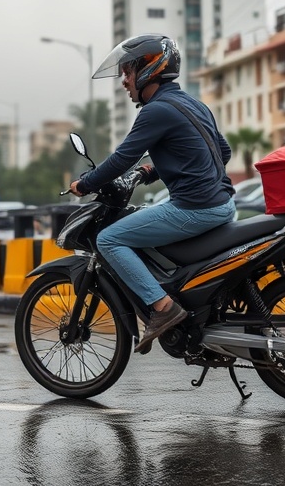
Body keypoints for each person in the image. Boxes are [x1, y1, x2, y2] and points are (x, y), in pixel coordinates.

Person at [69, 34, 236, 355]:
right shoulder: (193, 103)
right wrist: (151, 171)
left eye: (127, 73)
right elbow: (222, 151)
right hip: (224, 205)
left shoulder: (156, 111)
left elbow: (121, 159)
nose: (124, 82)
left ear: (149, 70)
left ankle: (162, 307)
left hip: (195, 209)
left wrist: (86, 183)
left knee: (110, 240)